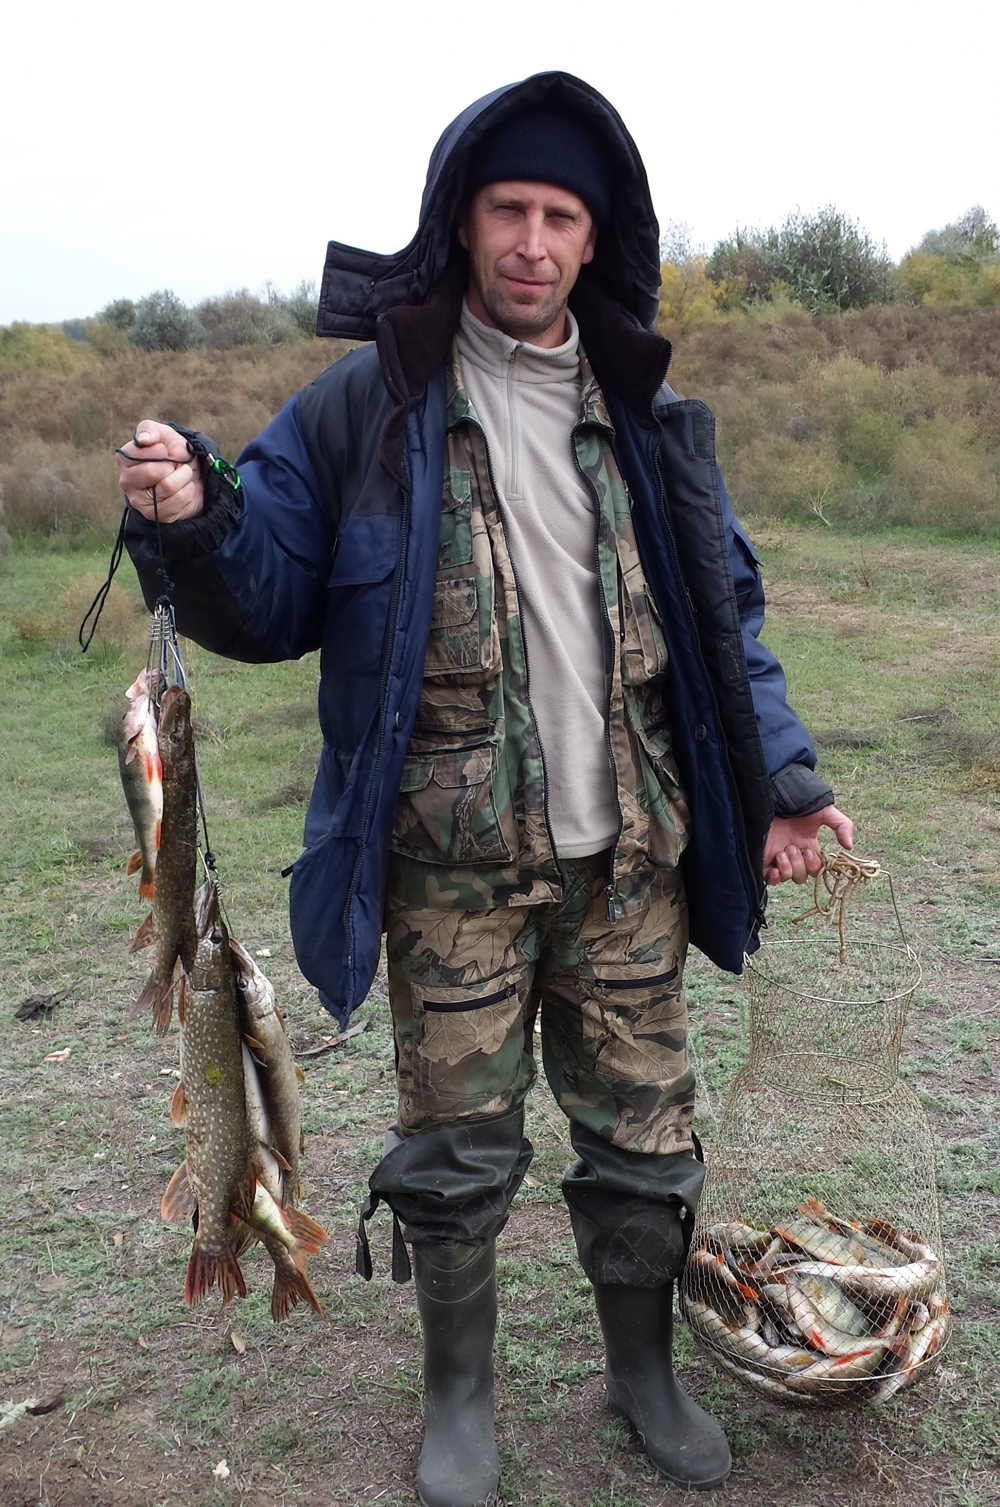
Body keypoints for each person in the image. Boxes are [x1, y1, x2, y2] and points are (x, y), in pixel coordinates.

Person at [118, 72, 852, 1507]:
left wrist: (785, 781)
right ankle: (460, 1399)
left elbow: (723, 622)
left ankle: (641, 1374)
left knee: (645, 1140)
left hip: (631, 856)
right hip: (448, 874)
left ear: (593, 240)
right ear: (464, 225)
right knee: (455, 1152)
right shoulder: (367, 404)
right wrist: (198, 518)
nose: (530, 239)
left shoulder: (647, 414)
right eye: (507, 209)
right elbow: (266, 596)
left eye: (558, 216)